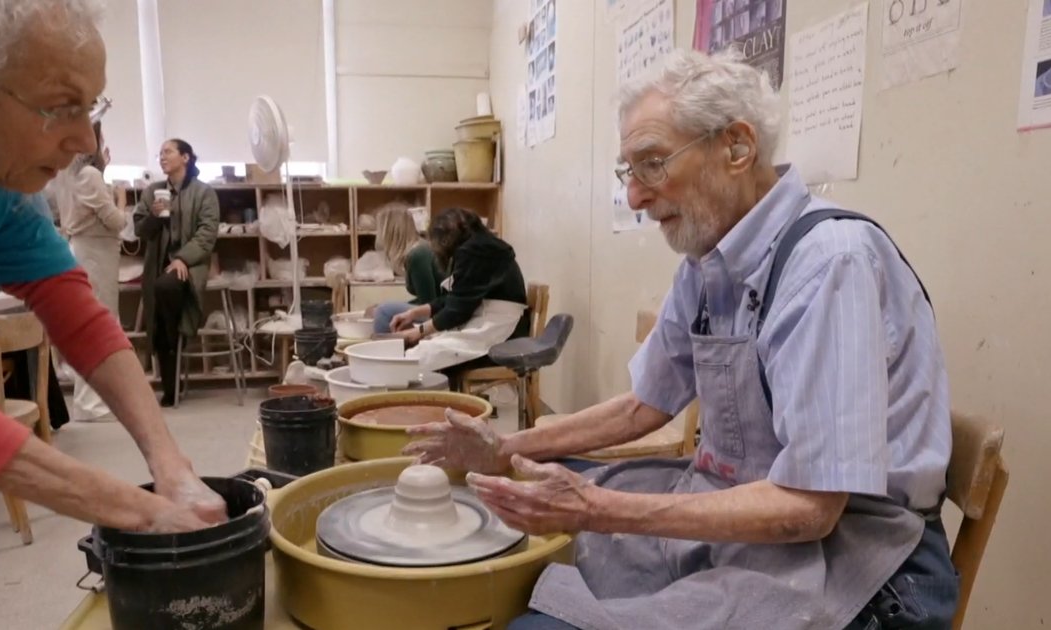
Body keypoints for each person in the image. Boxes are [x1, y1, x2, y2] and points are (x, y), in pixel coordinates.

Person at [404, 49, 958, 630]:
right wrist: (505, 449)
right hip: (754, 513)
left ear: (737, 147)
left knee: (540, 614)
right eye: (630, 171)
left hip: (861, 556)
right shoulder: (707, 263)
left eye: (652, 163)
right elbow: (645, 406)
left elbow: (810, 509)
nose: (637, 196)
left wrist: (597, 509)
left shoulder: (828, 264)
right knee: (532, 510)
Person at [0, 1, 226, 626]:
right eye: (61, 106)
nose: (85, 141)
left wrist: (170, 467)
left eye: (90, 108)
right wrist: (141, 510)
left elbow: (80, 317)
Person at [132, 138, 219, 407]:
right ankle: (171, 380)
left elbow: (207, 235)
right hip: (158, 264)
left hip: (191, 264)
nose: (162, 157)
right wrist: (154, 217)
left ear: (186, 157)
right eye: (160, 153)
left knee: (165, 289)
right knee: (157, 307)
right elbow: (139, 231)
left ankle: (174, 339)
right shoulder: (152, 192)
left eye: (167, 152)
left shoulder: (204, 193)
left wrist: (182, 258)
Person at [389, 208, 529, 373]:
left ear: (445, 237)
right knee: (428, 345)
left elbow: (457, 310)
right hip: (490, 319)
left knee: (422, 356)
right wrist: (413, 314)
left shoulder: (476, 250)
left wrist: (418, 331)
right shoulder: (478, 245)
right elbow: (455, 299)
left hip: (501, 329)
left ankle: (433, 397)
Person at [52, 121, 126, 421]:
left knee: (93, 324)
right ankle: (91, 404)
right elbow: (116, 221)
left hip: (84, 249)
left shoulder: (68, 175)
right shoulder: (90, 175)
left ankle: (94, 401)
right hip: (97, 253)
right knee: (101, 325)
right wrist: (121, 197)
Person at [364, 203, 443, 334]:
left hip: (444, 311)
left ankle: (383, 351)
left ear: (389, 231)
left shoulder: (418, 255)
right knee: (381, 309)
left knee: (383, 311)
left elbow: (429, 303)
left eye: (379, 229)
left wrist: (384, 309)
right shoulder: (418, 250)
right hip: (441, 306)